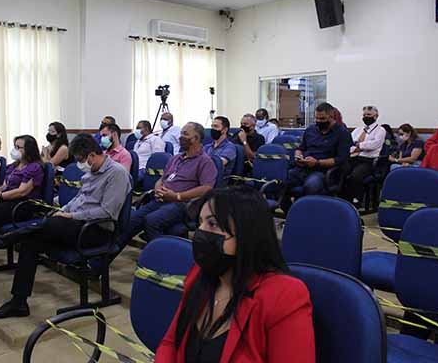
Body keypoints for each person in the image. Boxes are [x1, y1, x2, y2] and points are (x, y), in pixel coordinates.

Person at [155, 187, 315, 363]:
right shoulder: (200, 274)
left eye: (213, 224)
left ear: (247, 233)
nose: (200, 232)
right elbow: (170, 343)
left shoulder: (284, 295)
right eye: (200, 223)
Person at [0, 134, 131, 319]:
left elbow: (107, 212)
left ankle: (14, 236)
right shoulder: (92, 171)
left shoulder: (117, 173)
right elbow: (78, 199)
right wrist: (62, 211)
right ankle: (18, 302)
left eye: (80, 160)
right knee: (32, 241)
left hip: (96, 230)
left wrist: (71, 216)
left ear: (92, 155)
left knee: (53, 223)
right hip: (73, 225)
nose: (80, 164)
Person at [119, 123, 217, 245]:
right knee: (132, 219)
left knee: (152, 221)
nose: (180, 137)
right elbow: (162, 178)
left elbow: (207, 188)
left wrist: (177, 196)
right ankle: (106, 255)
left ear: (196, 138)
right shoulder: (176, 158)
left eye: (185, 134)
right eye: (181, 133)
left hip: (182, 204)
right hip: (161, 199)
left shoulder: (205, 161)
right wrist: (158, 189)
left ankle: (161, 254)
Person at [0, 135, 44, 272]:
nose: (15, 150)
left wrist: (0, 196)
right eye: (15, 146)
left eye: (19, 147)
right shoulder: (13, 166)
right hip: (7, 199)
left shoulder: (35, 167)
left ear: (29, 150)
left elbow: (22, 191)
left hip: (23, 204)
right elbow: (4, 185)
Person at [289, 103, 352, 196]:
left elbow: (341, 159)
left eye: (322, 119)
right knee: (282, 181)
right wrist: (298, 156)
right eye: (316, 118)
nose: (318, 121)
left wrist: (317, 163)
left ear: (331, 117)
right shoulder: (310, 130)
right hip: (303, 168)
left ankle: (311, 205)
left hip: (324, 171)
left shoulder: (342, 133)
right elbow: (301, 148)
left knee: (311, 186)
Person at [341, 106, 387, 207]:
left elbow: (374, 144)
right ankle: (343, 200)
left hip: (368, 160)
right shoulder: (358, 130)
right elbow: (349, 142)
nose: (366, 117)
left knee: (355, 176)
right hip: (353, 158)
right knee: (341, 172)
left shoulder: (380, 130)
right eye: (364, 115)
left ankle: (356, 201)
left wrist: (359, 145)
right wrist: (357, 146)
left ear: (376, 116)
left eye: (369, 115)